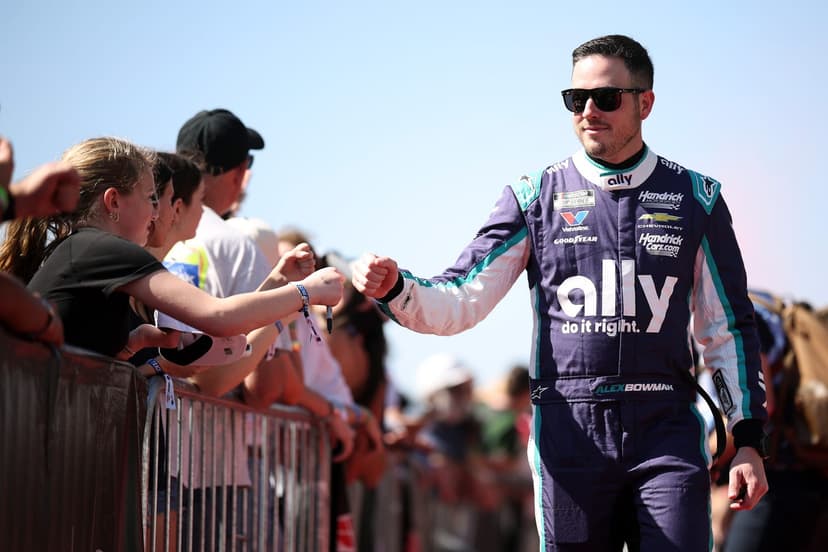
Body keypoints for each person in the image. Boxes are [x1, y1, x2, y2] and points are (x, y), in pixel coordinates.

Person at [352, 34, 768, 550]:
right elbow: (462, 298)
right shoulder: (533, 197)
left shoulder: (696, 198)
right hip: (570, 433)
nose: (589, 111)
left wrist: (747, 439)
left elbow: (727, 330)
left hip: (666, 429)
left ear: (645, 103)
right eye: (576, 99)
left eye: (606, 98)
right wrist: (397, 287)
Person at [0, 136, 343, 362]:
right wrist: (306, 292)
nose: (155, 213)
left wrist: (130, 346)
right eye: (150, 197)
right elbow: (218, 316)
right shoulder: (104, 249)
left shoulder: (86, 248)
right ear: (113, 201)